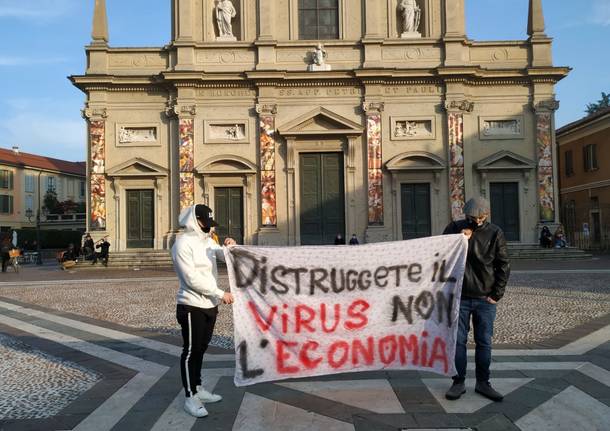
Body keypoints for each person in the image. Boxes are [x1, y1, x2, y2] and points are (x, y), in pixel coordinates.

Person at [443, 197, 510, 402]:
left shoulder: (495, 232)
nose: (477, 221)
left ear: (487, 215)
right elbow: (440, 251)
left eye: (481, 218)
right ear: (466, 215)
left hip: (485, 298)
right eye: (473, 217)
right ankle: (458, 382)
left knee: (484, 342)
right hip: (460, 297)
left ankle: (483, 382)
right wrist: (458, 239)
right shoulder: (455, 227)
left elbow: (503, 265)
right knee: (459, 342)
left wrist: (496, 294)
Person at [172, 204, 236, 418]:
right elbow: (191, 279)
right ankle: (190, 397)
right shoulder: (182, 244)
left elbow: (221, 254)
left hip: (210, 305)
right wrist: (220, 293)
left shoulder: (207, 241)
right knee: (190, 351)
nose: (208, 227)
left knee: (201, 349)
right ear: (194, 220)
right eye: (204, 223)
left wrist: (229, 247)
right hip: (191, 305)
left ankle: (198, 388)